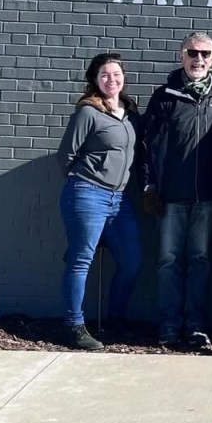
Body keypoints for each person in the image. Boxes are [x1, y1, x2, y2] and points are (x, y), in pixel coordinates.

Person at [140, 32, 212, 348]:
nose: (199, 59)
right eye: (193, 53)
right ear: (181, 55)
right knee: (168, 261)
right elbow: (147, 145)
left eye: (205, 54)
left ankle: (195, 325)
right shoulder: (164, 96)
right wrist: (148, 185)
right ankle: (169, 326)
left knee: (200, 261)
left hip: (207, 198)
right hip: (170, 197)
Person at [56, 52, 143, 352]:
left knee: (131, 262)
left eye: (116, 74)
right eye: (104, 75)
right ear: (95, 79)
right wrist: (86, 180)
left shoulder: (130, 113)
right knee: (81, 260)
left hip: (120, 200)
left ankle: (115, 321)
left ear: (124, 78)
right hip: (88, 193)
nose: (111, 80)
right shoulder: (88, 112)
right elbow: (65, 155)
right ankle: (74, 326)